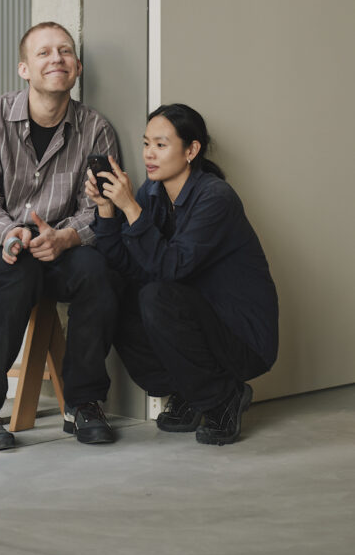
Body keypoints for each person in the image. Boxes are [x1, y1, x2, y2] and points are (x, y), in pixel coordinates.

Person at [0, 21, 121, 451]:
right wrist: (11, 232)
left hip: (56, 244)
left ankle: (83, 402)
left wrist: (64, 239)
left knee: (99, 269)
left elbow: (96, 208)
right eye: (43, 53)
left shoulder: (96, 129)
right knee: (16, 271)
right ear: (24, 68)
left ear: (76, 67)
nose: (55, 59)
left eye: (64, 52)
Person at [86, 103, 278, 446]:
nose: (149, 154)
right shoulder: (154, 193)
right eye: (146, 144)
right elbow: (125, 265)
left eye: (161, 145)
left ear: (191, 150)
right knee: (113, 289)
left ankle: (223, 398)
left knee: (157, 294)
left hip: (242, 338)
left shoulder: (216, 198)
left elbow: (170, 268)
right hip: (199, 325)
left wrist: (130, 208)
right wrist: (107, 209)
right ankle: (188, 392)